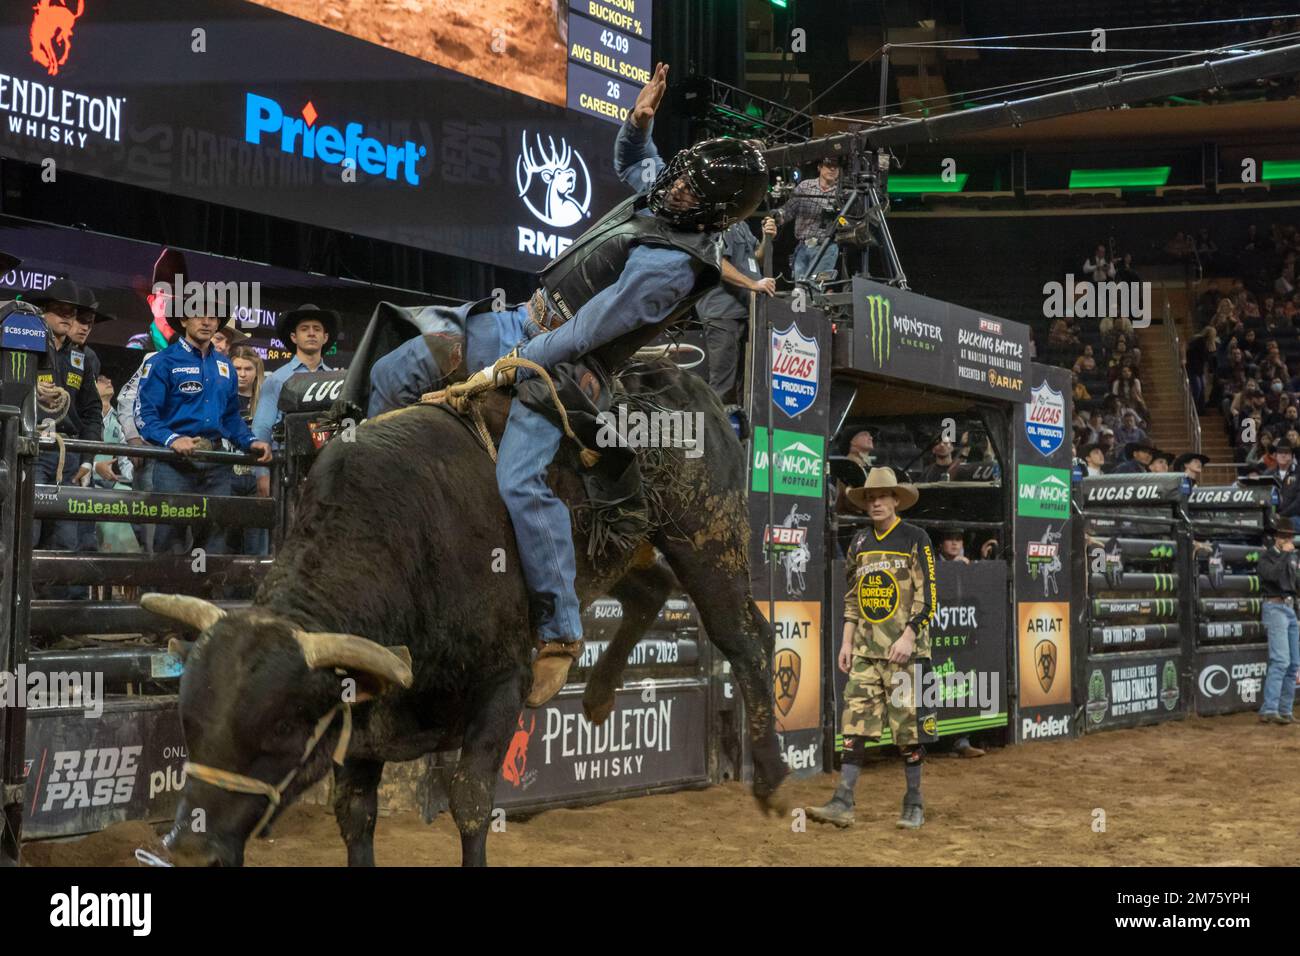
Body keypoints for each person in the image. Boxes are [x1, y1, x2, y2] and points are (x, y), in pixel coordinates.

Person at [461, 66, 769, 707]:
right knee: (400, 363)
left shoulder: (670, 268)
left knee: (519, 479)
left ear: (709, 212)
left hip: (572, 364)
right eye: (680, 174)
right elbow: (637, 160)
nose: (674, 185)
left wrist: (513, 363)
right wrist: (640, 118)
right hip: (527, 320)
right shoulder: (669, 198)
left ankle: (558, 630)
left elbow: (585, 334)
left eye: (688, 185)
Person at [805, 467, 937, 830]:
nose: (876, 502)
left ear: (896, 500)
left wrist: (908, 636)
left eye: (883, 497)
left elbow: (928, 600)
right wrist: (846, 642)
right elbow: (852, 598)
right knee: (855, 727)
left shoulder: (915, 538)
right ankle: (842, 801)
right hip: (865, 651)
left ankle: (914, 802)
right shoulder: (860, 543)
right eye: (870, 498)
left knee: (908, 730)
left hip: (906, 654)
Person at [135, 308, 272, 554]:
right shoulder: (161, 361)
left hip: (216, 463)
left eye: (213, 317)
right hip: (173, 464)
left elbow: (230, 418)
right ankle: (163, 592)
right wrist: (172, 438)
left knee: (214, 543)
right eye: (199, 315)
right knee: (170, 543)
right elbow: (145, 416)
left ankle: (204, 592)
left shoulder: (225, 366)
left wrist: (250, 441)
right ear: (184, 320)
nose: (207, 322)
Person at [26, 279, 104, 588]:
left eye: (71, 313)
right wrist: (31, 390)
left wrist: (87, 459)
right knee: (26, 535)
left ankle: (56, 626)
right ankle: (22, 621)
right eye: (59, 311)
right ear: (42, 313)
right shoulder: (22, 343)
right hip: (30, 450)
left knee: (65, 540)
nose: (68, 318)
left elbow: (91, 413)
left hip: (67, 457)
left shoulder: (82, 358)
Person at [251, 304, 338, 497]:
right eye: (304, 329)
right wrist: (261, 475)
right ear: (294, 337)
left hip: (327, 469)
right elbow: (261, 429)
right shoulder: (277, 379)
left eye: (317, 329)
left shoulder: (336, 380)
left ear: (325, 337)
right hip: (286, 470)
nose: (311, 334)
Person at [695, 215, 776, 404]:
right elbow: (717, 262)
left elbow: (756, 258)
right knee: (722, 384)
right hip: (723, 313)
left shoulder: (741, 225)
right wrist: (753, 284)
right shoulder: (720, 221)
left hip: (745, 312)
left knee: (744, 385)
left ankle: (738, 431)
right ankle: (710, 431)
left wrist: (767, 237)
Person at [1256, 513, 1300, 725]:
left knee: (1293, 663)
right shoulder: (1266, 557)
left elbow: (1295, 583)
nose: (1288, 540)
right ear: (1277, 538)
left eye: (1290, 537)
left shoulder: (1292, 558)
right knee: (1281, 659)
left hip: (1289, 607)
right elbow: (1271, 576)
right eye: (1285, 537)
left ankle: (1284, 709)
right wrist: (1284, 555)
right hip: (1274, 606)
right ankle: (1270, 707)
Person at [91, 373, 141, 553]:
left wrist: (136, 474)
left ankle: (130, 564)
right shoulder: (86, 417)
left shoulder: (118, 418)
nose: (109, 381)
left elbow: (125, 457)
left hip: (111, 483)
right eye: (102, 380)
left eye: (109, 379)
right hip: (88, 483)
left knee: (134, 497)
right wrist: (96, 467)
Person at [771, 155, 842, 281]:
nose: (832, 169)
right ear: (819, 167)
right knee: (800, 288)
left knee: (815, 288)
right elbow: (789, 210)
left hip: (826, 248)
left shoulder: (842, 192)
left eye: (835, 167)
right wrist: (777, 215)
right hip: (803, 247)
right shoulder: (805, 186)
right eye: (828, 166)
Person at [228, 346, 268, 556]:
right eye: (237, 368)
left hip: (256, 477)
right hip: (227, 477)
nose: (242, 374)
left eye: (248, 369)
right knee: (225, 543)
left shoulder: (266, 402)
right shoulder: (222, 399)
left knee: (256, 547)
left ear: (257, 371)